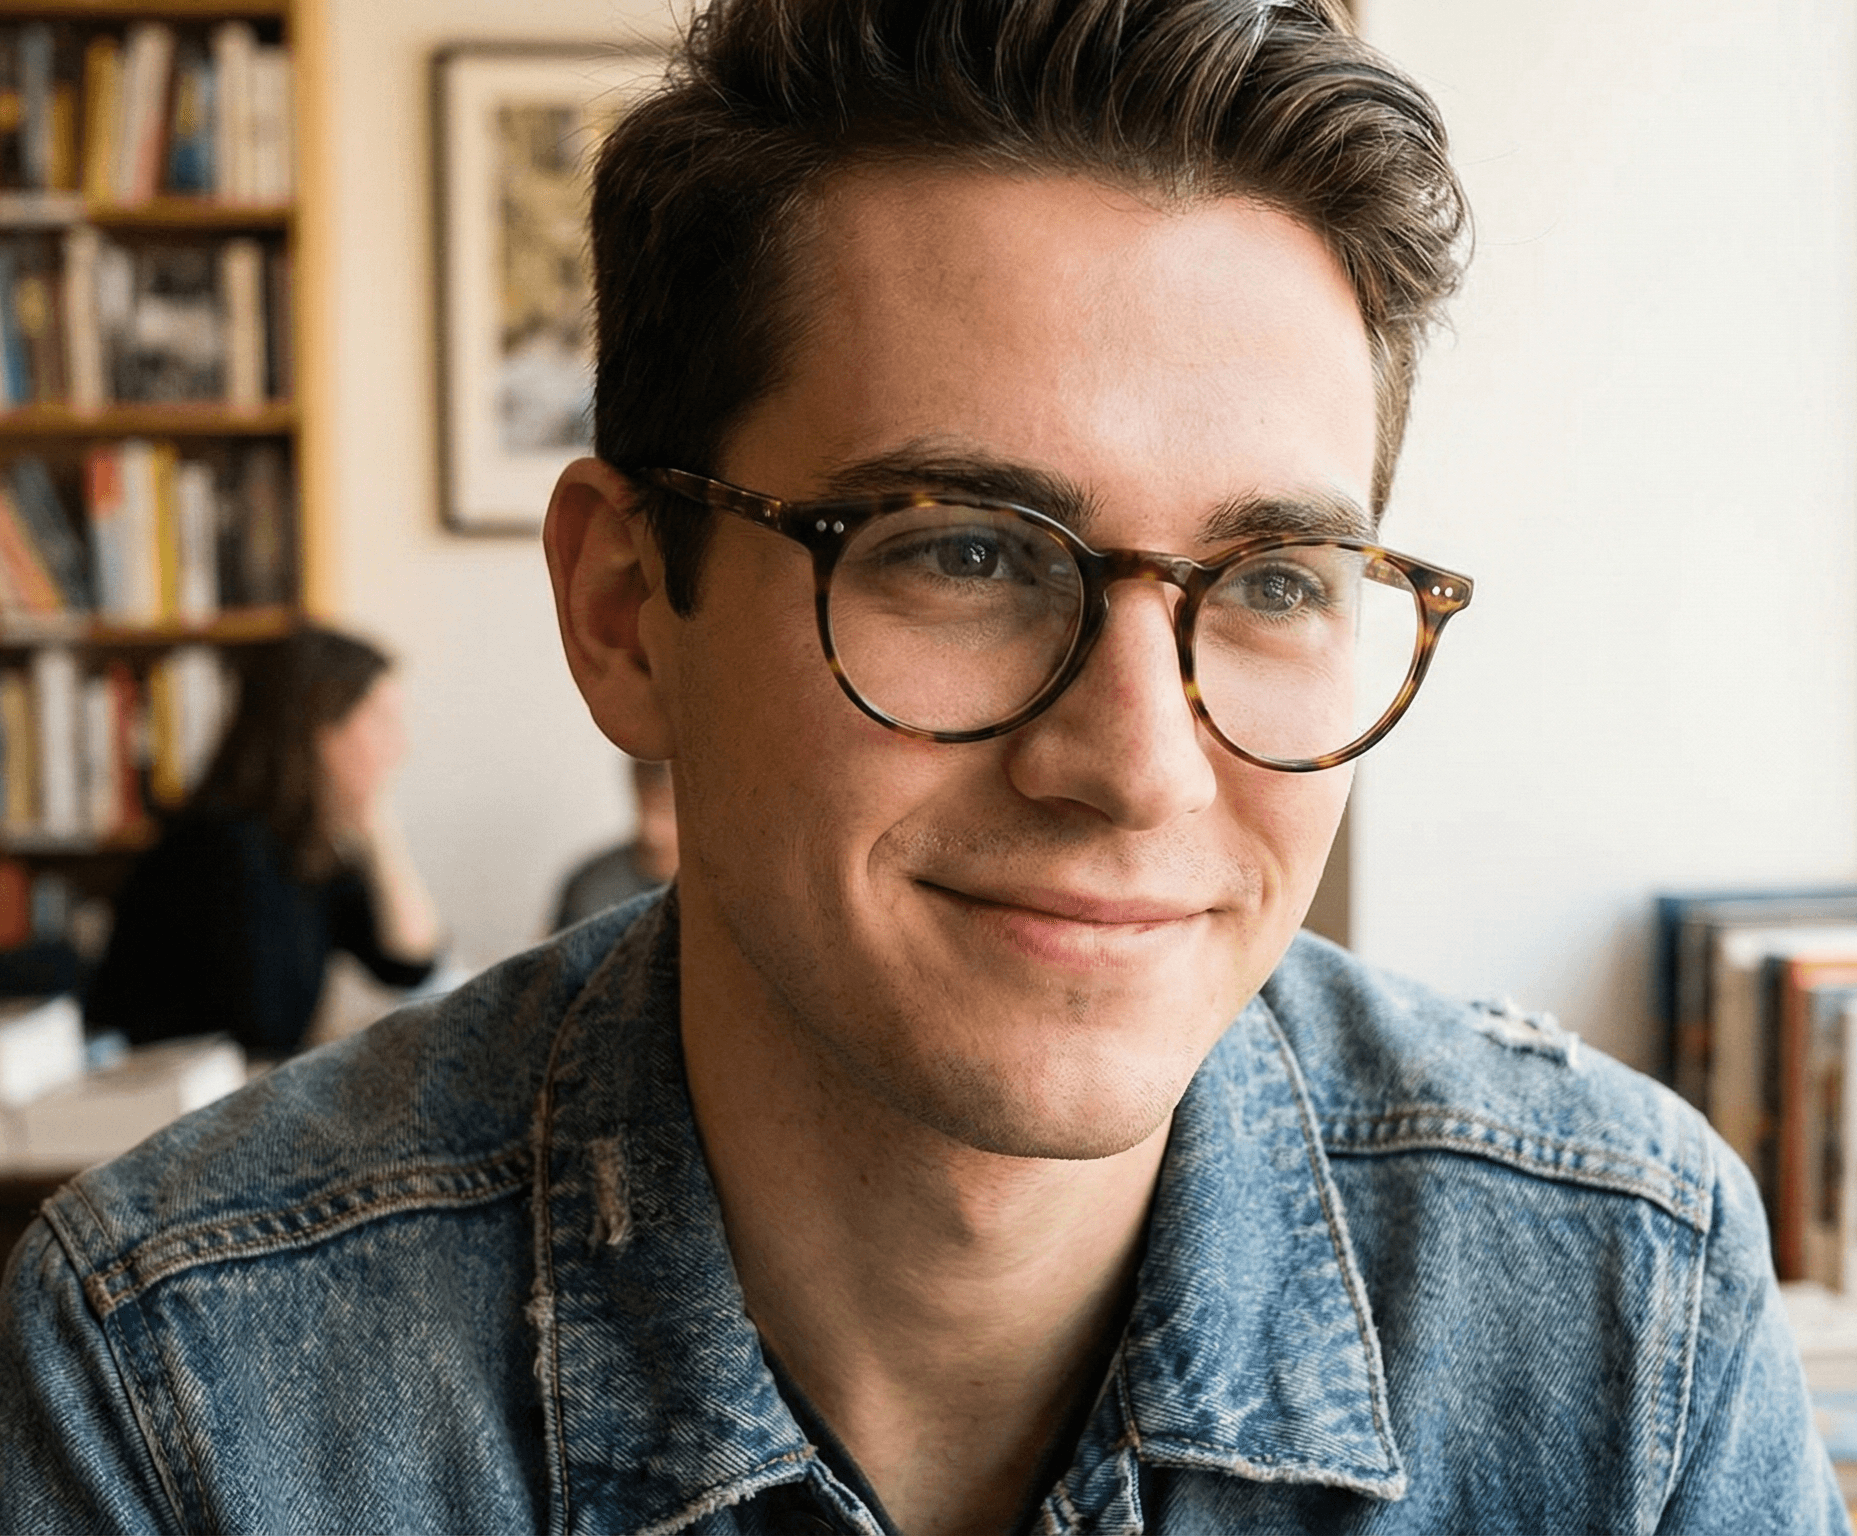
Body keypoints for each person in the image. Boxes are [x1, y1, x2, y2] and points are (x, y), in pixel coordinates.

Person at [0, 0, 1840, 1530]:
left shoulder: (1624, 1310)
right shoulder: (184, 1391)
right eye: (962, 550)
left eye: (1273, 578)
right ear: (628, 609)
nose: (1135, 764)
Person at [83, 624, 443, 1059]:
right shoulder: (224, 849)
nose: (399, 746)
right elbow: (264, 1034)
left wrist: (380, 828)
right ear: (321, 729)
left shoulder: (304, 851)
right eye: (382, 721)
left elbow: (410, 964)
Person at [550, 756, 678, 929]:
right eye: (644, 804)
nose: (651, 832)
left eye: (667, 810)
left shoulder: (720, 892)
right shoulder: (590, 888)